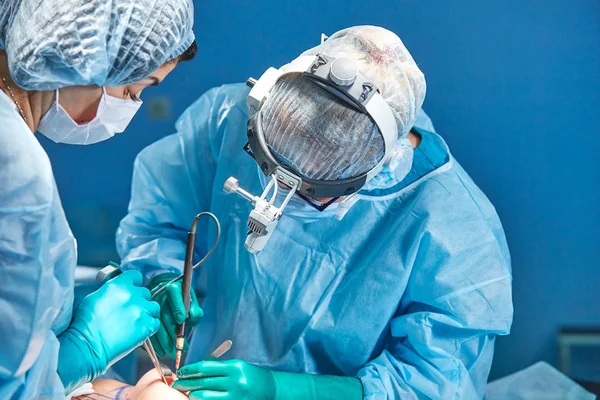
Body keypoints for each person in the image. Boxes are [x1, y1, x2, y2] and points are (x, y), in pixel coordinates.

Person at [117, 26, 514, 399]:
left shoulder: (454, 231)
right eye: (269, 169)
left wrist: (292, 390)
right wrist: (162, 277)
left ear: (377, 169)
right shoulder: (233, 120)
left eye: (311, 190)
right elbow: (158, 215)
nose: (277, 202)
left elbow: (436, 382)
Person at [0, 0, 198, 398]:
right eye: (131, 89)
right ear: (82, 59)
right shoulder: (16, 169)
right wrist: (86, 346)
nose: (128, 108)